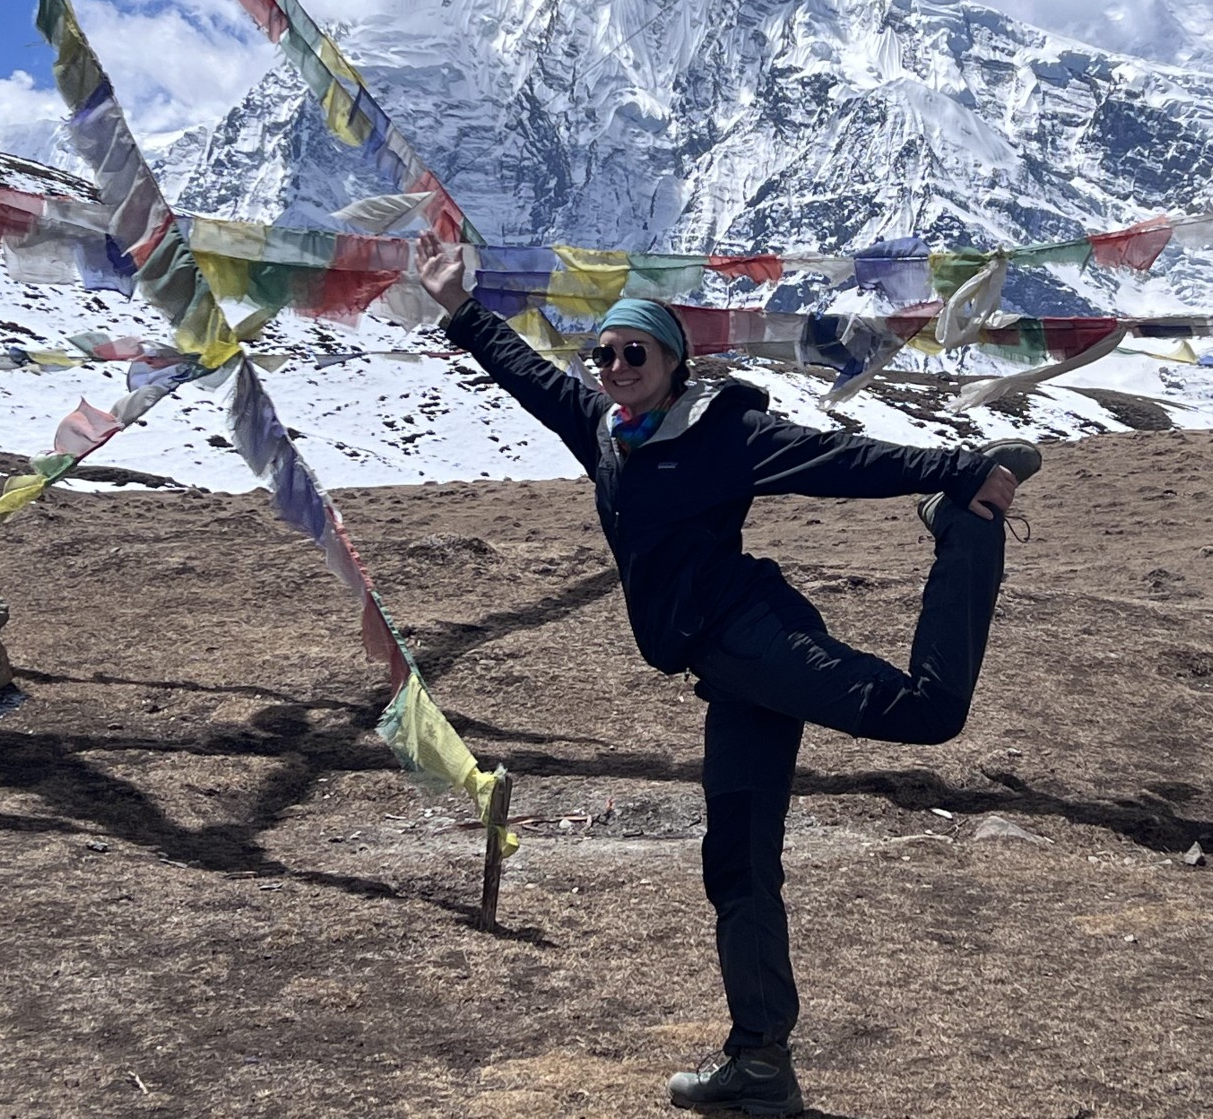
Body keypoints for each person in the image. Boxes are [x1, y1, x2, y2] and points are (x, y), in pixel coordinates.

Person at [416, 235, 1038, 1118]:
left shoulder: (722, 432)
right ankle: (759, 1063)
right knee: (739, 866)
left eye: (637, 352)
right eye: (606, 354)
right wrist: (460, 310)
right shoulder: (607, 435)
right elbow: (527, 376)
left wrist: (966, 472)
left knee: (929, 713)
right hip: (724, 670)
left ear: (673, 362)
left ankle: (963, 530)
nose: (616, 366)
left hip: (755, 635)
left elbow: (841, 463)